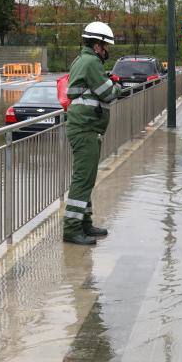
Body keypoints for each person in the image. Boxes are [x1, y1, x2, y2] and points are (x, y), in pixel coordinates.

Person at [63, 21, 122, 245]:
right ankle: (71, 229)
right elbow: (108, 94)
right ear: (97, 45)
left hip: (85, 127)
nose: (108, 50)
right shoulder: (91, 62)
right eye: (106, 45)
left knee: (86, 179)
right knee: (82, 179)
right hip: (85, 128)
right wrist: (116, 86)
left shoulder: (82, 60)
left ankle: (85, 224)